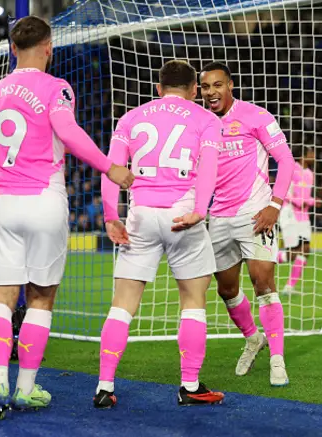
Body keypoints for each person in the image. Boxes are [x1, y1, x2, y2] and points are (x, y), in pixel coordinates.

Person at [0, 15, 133, 420]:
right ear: (49, 47)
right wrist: (108, 166)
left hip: (1, 202)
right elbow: (67, 130)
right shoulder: (56, 87)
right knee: (41, 297)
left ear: (13, 48)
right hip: (43, 199)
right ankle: (25, 390)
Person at [94, 59, 224, 409]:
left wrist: (110, 216)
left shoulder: (131, 118)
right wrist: (201, 209)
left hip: (140, 217)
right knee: (193, 302)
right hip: (183, 215)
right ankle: (190, 385)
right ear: (195, 90)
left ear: (158, 88)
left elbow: (113, 168)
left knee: (122, 305)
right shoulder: (207, 119)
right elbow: (208, 168)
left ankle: (104, 386)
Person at [199, 62, 295, 386]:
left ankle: (277, 360)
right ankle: (253, 338)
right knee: (227, 289)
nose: (211, 92)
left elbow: (286, 160)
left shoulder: (256, 116)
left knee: (263, 281)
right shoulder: (201, 124)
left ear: (230, 85)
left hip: (256, 212)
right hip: (219, 216)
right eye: (205, 87)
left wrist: (274, 205)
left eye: (217, 85)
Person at [276, 146, 321, 294]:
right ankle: (267, 258)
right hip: (289, 214)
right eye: (311, 153)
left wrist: (314, 201)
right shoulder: (292, 169)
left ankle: (289, 287)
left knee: (305, 250)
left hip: (303, 216)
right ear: (304, 155)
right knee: (293, 252)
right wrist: (296, 201)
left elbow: (305, 198)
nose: (314, 156)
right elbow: (281, 191)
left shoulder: (309, 174)